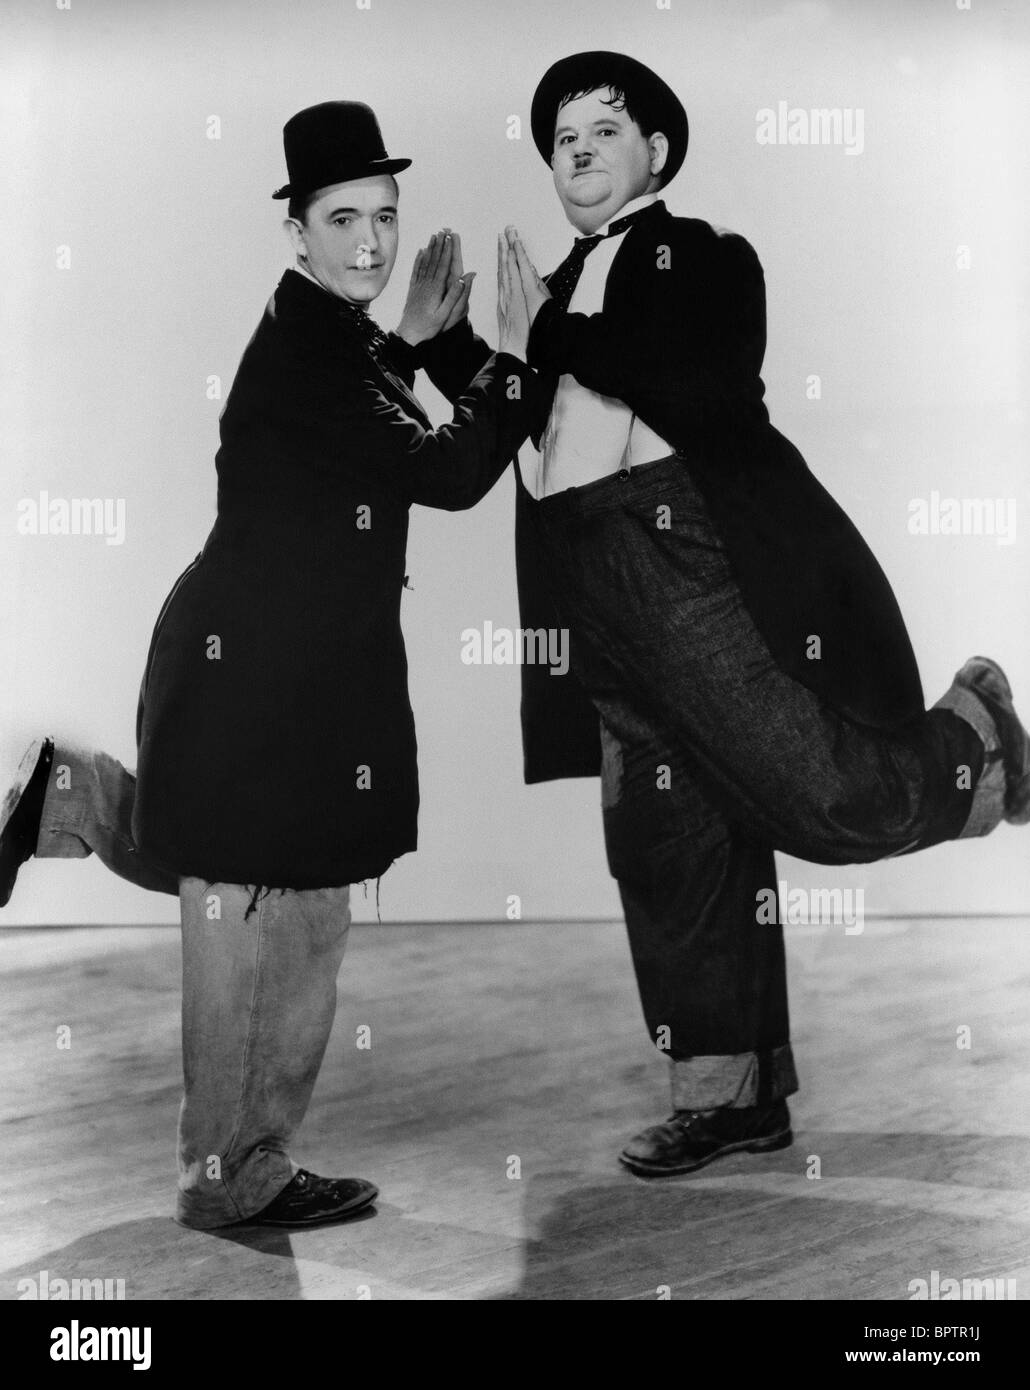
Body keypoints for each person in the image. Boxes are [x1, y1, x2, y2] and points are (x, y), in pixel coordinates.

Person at [461, 51, 1029, 1178]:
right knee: (668, 846)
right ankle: (727, 1098)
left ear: (657, 153)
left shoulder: (700, 255)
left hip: (685, 561)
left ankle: (978, 742)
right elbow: (518, 439)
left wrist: (550, 338)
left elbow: (695, 381)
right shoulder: (555, 295)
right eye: (561, 138)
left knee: (823, 792)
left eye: (603, 131)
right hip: (591, 582)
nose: (575, 150)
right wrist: (453, 349)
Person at [0, 100, 539, 1228]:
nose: (373, 246)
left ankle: (63, 793)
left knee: (232, 873)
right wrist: (499, 370)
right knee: (264, 915)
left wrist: (413, 341)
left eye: (385, 219)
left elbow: (359, 423)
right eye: (343, 220)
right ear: (297, 230)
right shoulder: (311, 348)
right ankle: (232, 1173)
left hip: (264, 661)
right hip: (261, 674)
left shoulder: (323, 338)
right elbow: (441, 473)